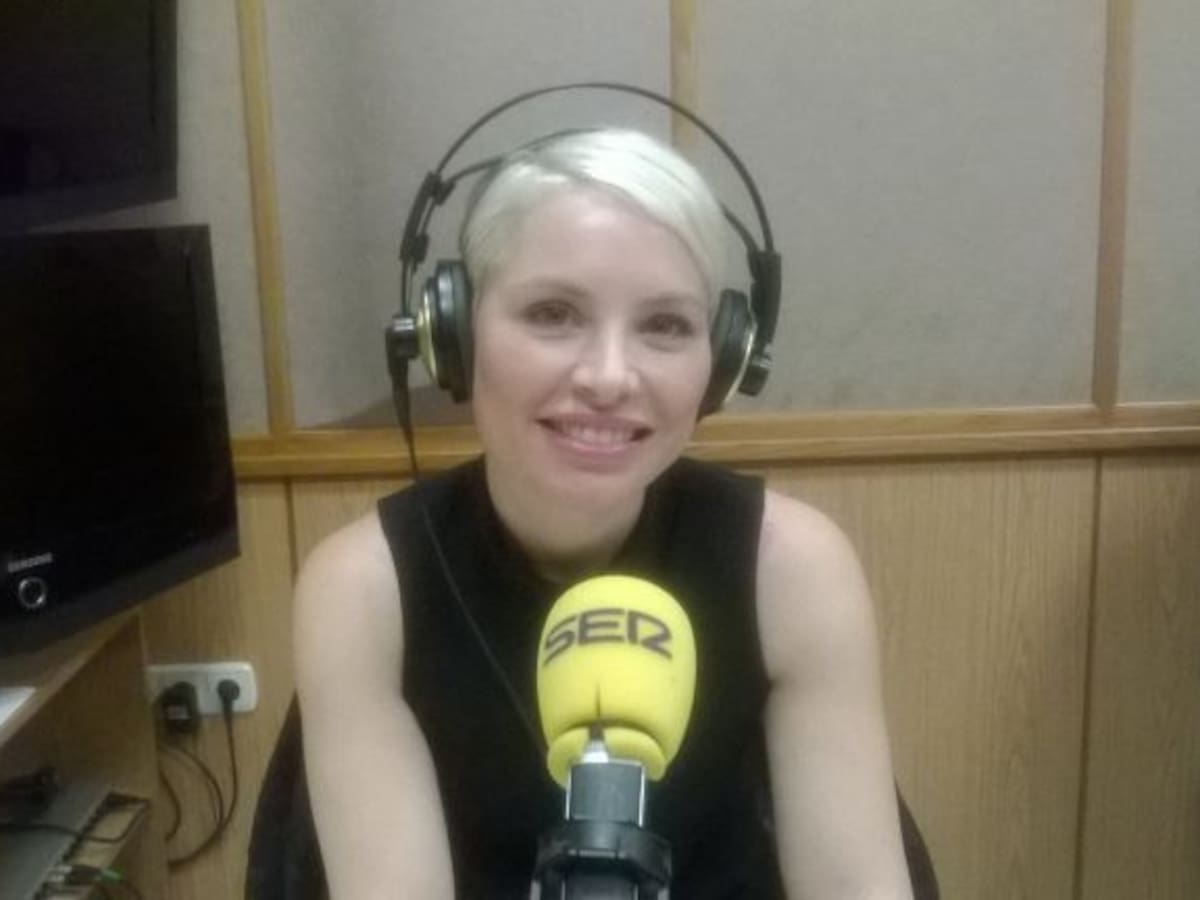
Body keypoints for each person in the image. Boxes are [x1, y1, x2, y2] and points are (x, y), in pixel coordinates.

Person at [292, 128, 916, 898]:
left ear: (722, 361)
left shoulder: (790, 568)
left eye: (664, 325)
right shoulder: (364, 591)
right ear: (453, 334)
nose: (610, 377)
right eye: (553, 312)